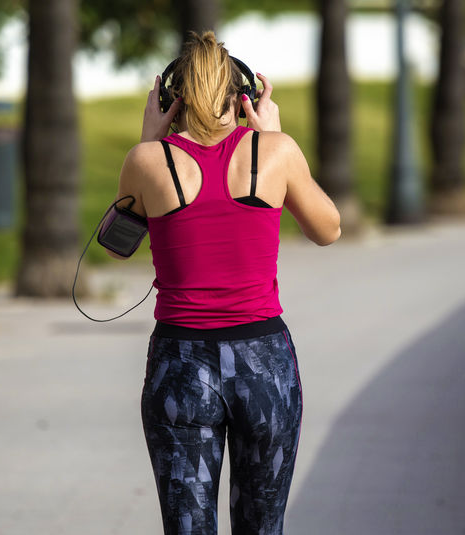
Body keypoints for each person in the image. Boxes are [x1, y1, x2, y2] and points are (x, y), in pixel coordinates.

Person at [108, 31, 341, 534]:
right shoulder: (275, 152)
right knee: (263, 526)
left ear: (172, 100)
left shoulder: (146, 160)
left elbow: (117, 242)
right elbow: (328, 229)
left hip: (181, 364)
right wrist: (272, 136)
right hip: (264, 363)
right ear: (244, 97)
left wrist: (150, 142)